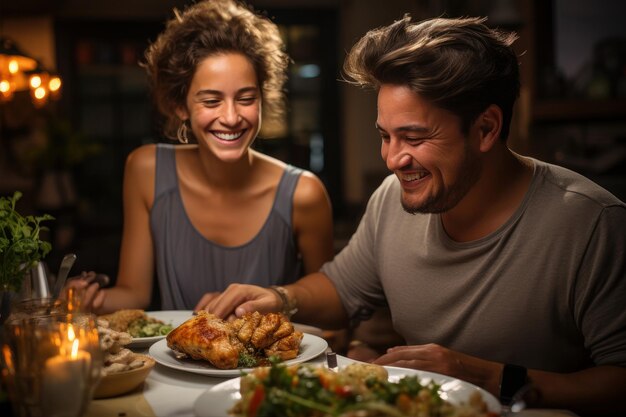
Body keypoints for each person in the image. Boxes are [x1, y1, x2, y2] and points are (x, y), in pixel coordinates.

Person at [204, 16, 626, 415]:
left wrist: (482, 375)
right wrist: (281, 297)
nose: (392, 159)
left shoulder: (592, 223)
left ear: (486, 128)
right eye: (385, 136)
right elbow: (342, 289)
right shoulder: (394, 196)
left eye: (414, 137)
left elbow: (619, 381)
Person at [71, 0, 334, 314]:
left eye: (246, 99)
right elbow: (133, 294)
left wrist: (276, 304)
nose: (232, 117)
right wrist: (84, 300)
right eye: (211, 101)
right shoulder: (146, 171)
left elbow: (332, 314)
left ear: (262, 98)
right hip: (172, 364)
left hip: (273, 364)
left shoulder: (304, 195)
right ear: (181, 106)